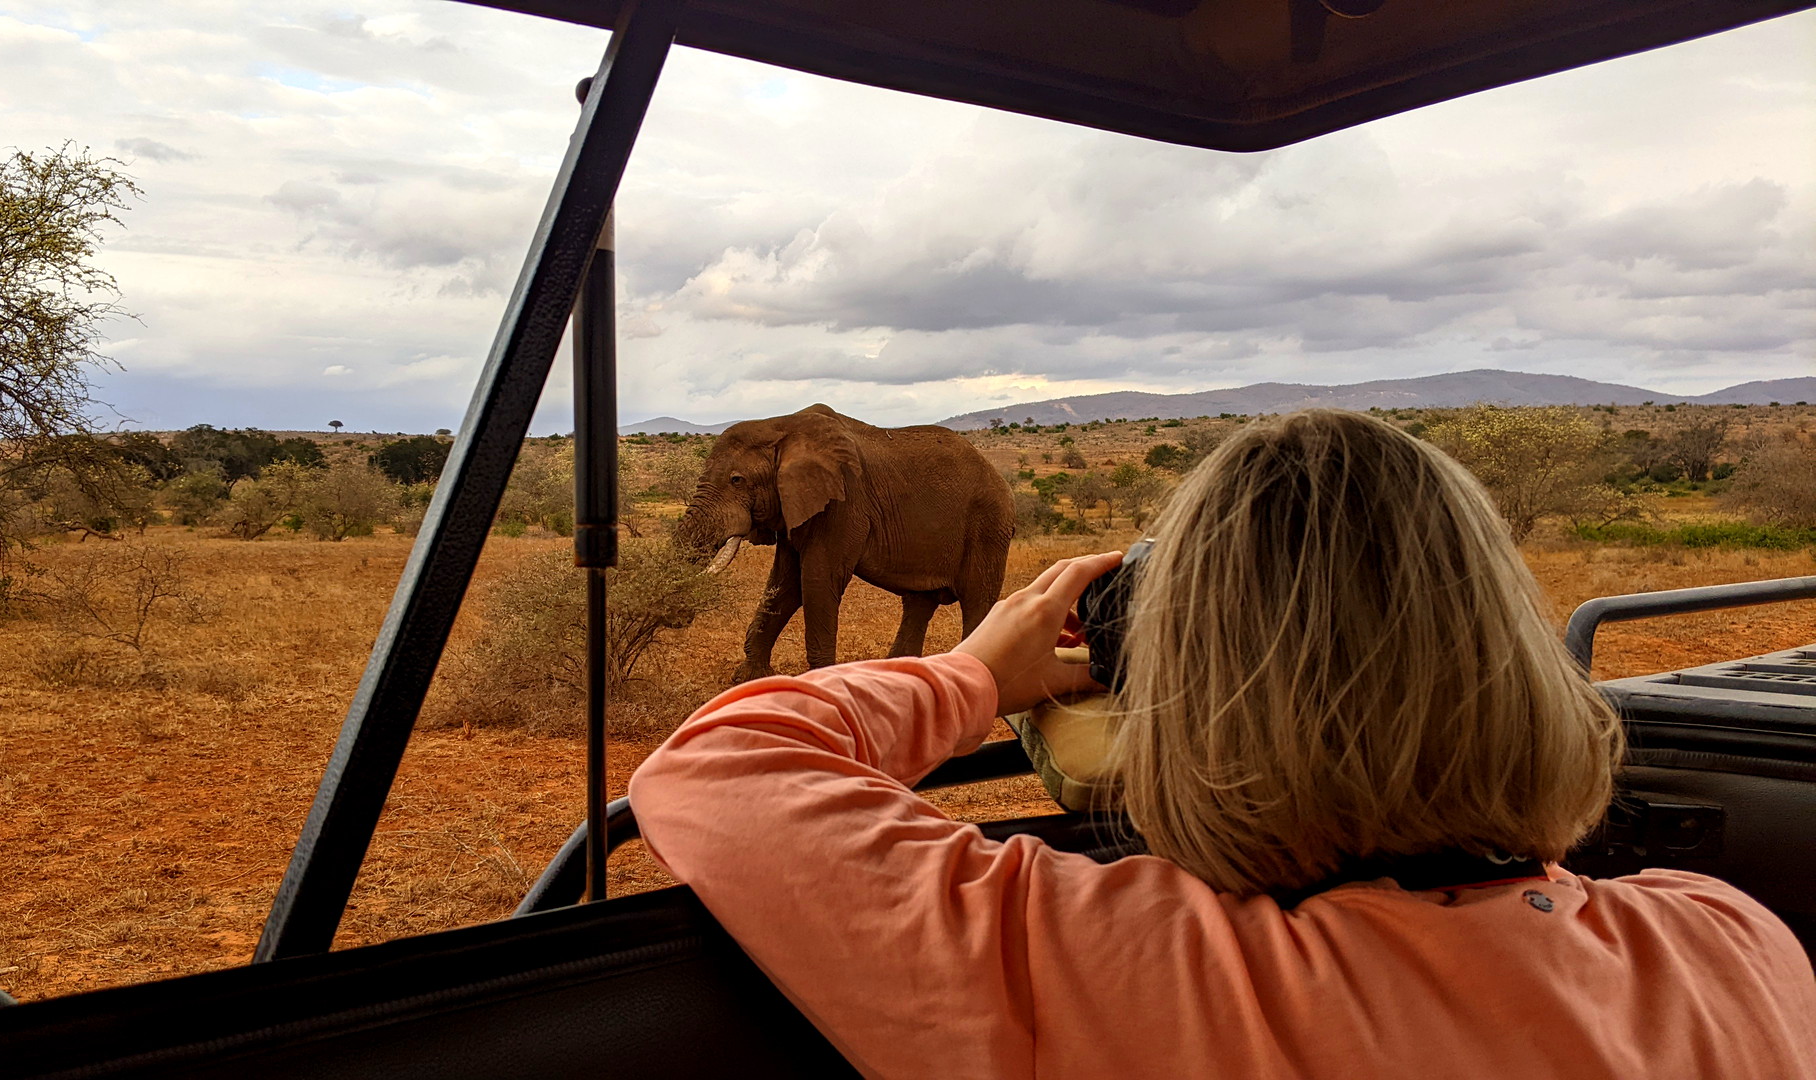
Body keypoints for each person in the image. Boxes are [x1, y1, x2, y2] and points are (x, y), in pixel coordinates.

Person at [628, 409, 1815, 1079]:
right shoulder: (1732, 945)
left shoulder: (1107, 965)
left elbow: (718, 768)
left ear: (1178, 705)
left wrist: (971, 674)